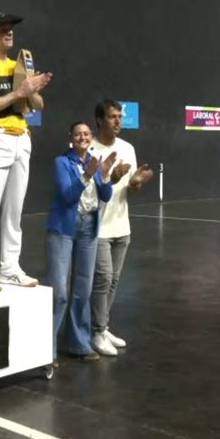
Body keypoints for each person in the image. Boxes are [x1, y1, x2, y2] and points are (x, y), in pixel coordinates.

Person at [0, 12, 52, 291]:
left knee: (15, 210)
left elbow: (38, 105)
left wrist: (32, 89)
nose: (10, 32)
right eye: (3, 29)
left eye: (12, 28)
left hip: (21, 138)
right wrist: (18, 93)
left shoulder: (19, 66)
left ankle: (10, 268)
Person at [46, 122, 116, 362]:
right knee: (59, 292)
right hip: (63, 228)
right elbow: (67, 195)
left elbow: (106, 195)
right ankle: (47, 350)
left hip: (89, 228)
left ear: (91, 137)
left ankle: (79, 344)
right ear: (71, 137)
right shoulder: (62, 162)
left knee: (82, 290)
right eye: (78, 134)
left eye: (86, 134)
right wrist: (87, 175)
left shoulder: (94, 163)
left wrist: (104, 175)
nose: (82, 137)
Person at [89, 100, 154, 356]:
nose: (118, 121)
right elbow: (86, 189)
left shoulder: (128, 148)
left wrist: (136, 182)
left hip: (121, 225)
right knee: (103, 279)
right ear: (100, 120)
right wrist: (111, 177)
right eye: (112, 116)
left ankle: (102, 328)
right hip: (97, 227)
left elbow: (130, 190)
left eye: (120, 116)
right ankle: (96, 332)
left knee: (114, 280)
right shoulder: (89, 148)